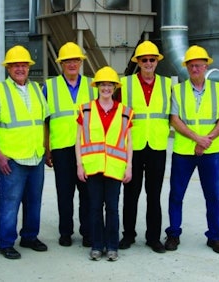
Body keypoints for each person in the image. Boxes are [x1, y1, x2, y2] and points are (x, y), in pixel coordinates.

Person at [164, 45, 219, 254]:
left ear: (206, 66)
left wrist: (206, 140)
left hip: (210, 152)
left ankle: (215, 237)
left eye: (199, 65)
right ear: (187, 68)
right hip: (184, 151)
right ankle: (173, 233)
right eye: (191, 65)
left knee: (213, 197)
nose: (195, 69)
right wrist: (197, 139)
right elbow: (174, 120)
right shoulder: (178, 90)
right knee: (176, 194)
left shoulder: (218, 89)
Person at [0, 45, 49, 260]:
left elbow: (43, 122)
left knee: (34, 200)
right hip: (11, 159)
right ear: (8, 68)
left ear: (29, 68)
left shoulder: (36, 90)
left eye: (23, 65)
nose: (20, 69)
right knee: (9, 202)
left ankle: (30, 237)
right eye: (15, 65)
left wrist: (46, 149)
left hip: (35, 155)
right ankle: (5, 243)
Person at [116, 41, 172, 253]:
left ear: (157, 62)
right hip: (133, 147)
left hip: (157, 145)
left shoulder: (167, 85)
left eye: (152, 59)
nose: (148, 63)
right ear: (137, 62)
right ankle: (128, 235)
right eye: (144, 60)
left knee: (154, 194)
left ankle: (153, 238)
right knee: (131, 193)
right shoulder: (125, 84)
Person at [75, 66, 133, 261]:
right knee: (94, 207)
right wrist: (79, 165)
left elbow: (128, 141)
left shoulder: (125, 112)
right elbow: (79, 139)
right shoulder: (86, 109)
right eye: (103, 85)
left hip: (115, 168)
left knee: (113, 208)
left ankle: (112, 246)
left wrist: (129, 166)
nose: (106, 88)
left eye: (110, 85)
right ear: (97, 86)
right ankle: (97, 246)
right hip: (92, 166)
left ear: (115, 87)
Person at [42, 42, 97, 247]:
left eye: (75, 60)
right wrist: (46, 147)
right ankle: (65, 232)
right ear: (61, 64)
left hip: (87, 148)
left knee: (87, 193)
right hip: (61, 148)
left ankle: (88, 232)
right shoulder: (50, 86)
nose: (72, 64)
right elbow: (44, 121)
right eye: (67, 61)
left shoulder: (92, 86)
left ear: (81, 62)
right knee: (64, 193)